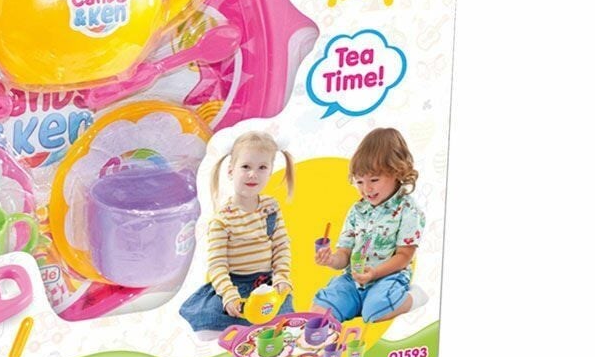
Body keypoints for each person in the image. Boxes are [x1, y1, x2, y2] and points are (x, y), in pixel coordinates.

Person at [179, 131, 294, 337]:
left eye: (262, 167)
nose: (253, 174)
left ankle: (259, 326)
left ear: (270, 172)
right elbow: (217, 265)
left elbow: (281, 246)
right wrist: (229, 294)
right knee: (211, 318)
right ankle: (236, 325)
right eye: (246, 166)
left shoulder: (271, 208)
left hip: (267, 284)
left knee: (284, 316)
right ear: (231, 171)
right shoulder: (222, 219)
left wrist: (281, 277)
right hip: (236, 284)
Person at [314, 128, 424, 322]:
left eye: (374, 180)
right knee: (320, 311)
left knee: (375, 311)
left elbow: (404, 256)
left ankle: (412, 298)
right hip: (354, 279)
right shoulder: (357, 210)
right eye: (359, 181)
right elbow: (345, 253)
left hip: (388, 277)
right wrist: (331, 259)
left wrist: (375, 273)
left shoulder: (408, 209)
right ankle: (358, 303)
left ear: (396, 172)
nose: (367, 189)